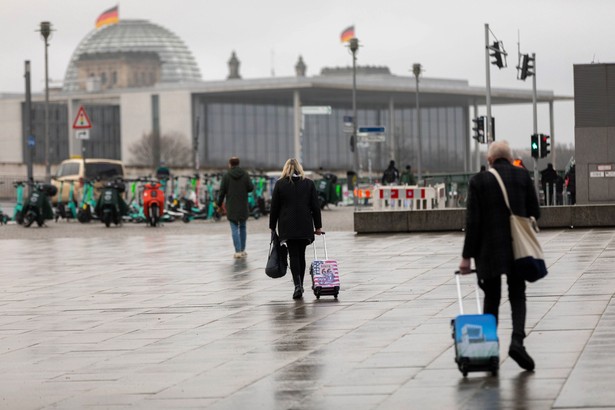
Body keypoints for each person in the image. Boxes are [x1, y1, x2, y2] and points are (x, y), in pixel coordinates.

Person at [459, 140, 540, 372]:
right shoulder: (523, 177)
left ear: (490, 160)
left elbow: (472, 223)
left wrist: (466, 257)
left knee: (491, 298)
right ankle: (517, 341)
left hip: (489, 251)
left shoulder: (479, 181)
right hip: (518, 248)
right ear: (510, 156)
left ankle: (489, 353)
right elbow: (536, 212)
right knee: (518, 295)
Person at [269, 158, 323, 299]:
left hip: (288, 225)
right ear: (300, 168)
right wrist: (318, 226)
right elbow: (315, 207)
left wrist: (272, 226)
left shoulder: (280, 184)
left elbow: (274, 207)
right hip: (305, 224)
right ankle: (301, 284)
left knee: (293, 255)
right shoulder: (309, 183)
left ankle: (297, 285)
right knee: (302, 255)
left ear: (285, 169)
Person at [217, 156, 254, 259]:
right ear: (238, 163)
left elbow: (222, 192)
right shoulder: (245, 174)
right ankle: (242, 250)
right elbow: (251, 188)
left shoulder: (226, 176)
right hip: (243, 204)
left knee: (234, 228)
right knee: (242, 227)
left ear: (230, 164)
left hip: (231, 205)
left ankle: (237, 252)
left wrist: (219, 204)